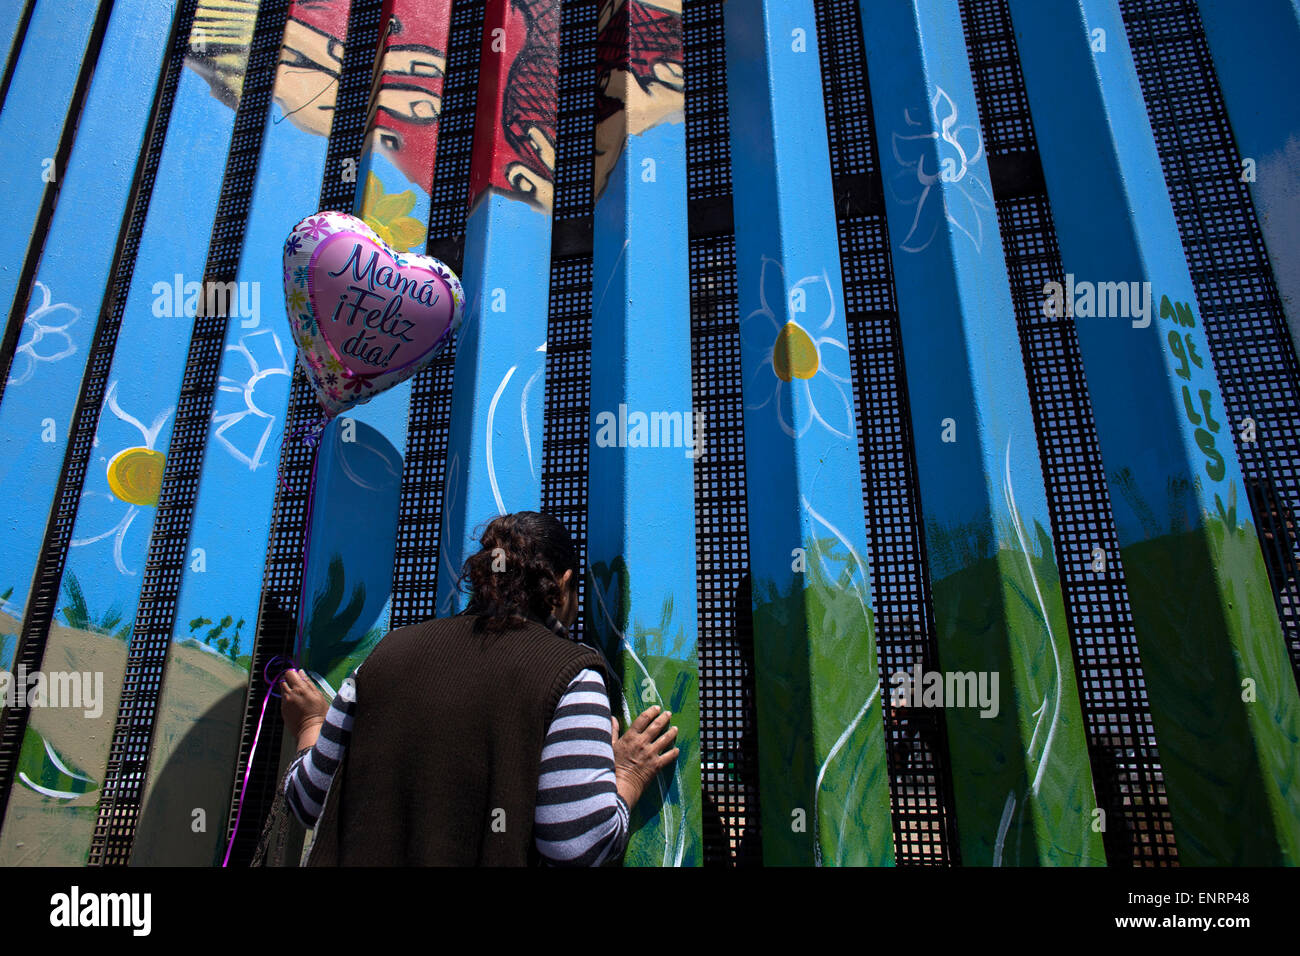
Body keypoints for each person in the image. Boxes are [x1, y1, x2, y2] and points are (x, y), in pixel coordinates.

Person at [278, 511, 679, 865]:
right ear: (565, 584)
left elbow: (309, 799)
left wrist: (311, 723)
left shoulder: (387, 653)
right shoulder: (572, 674)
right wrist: (627, 775)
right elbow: (575, 842)